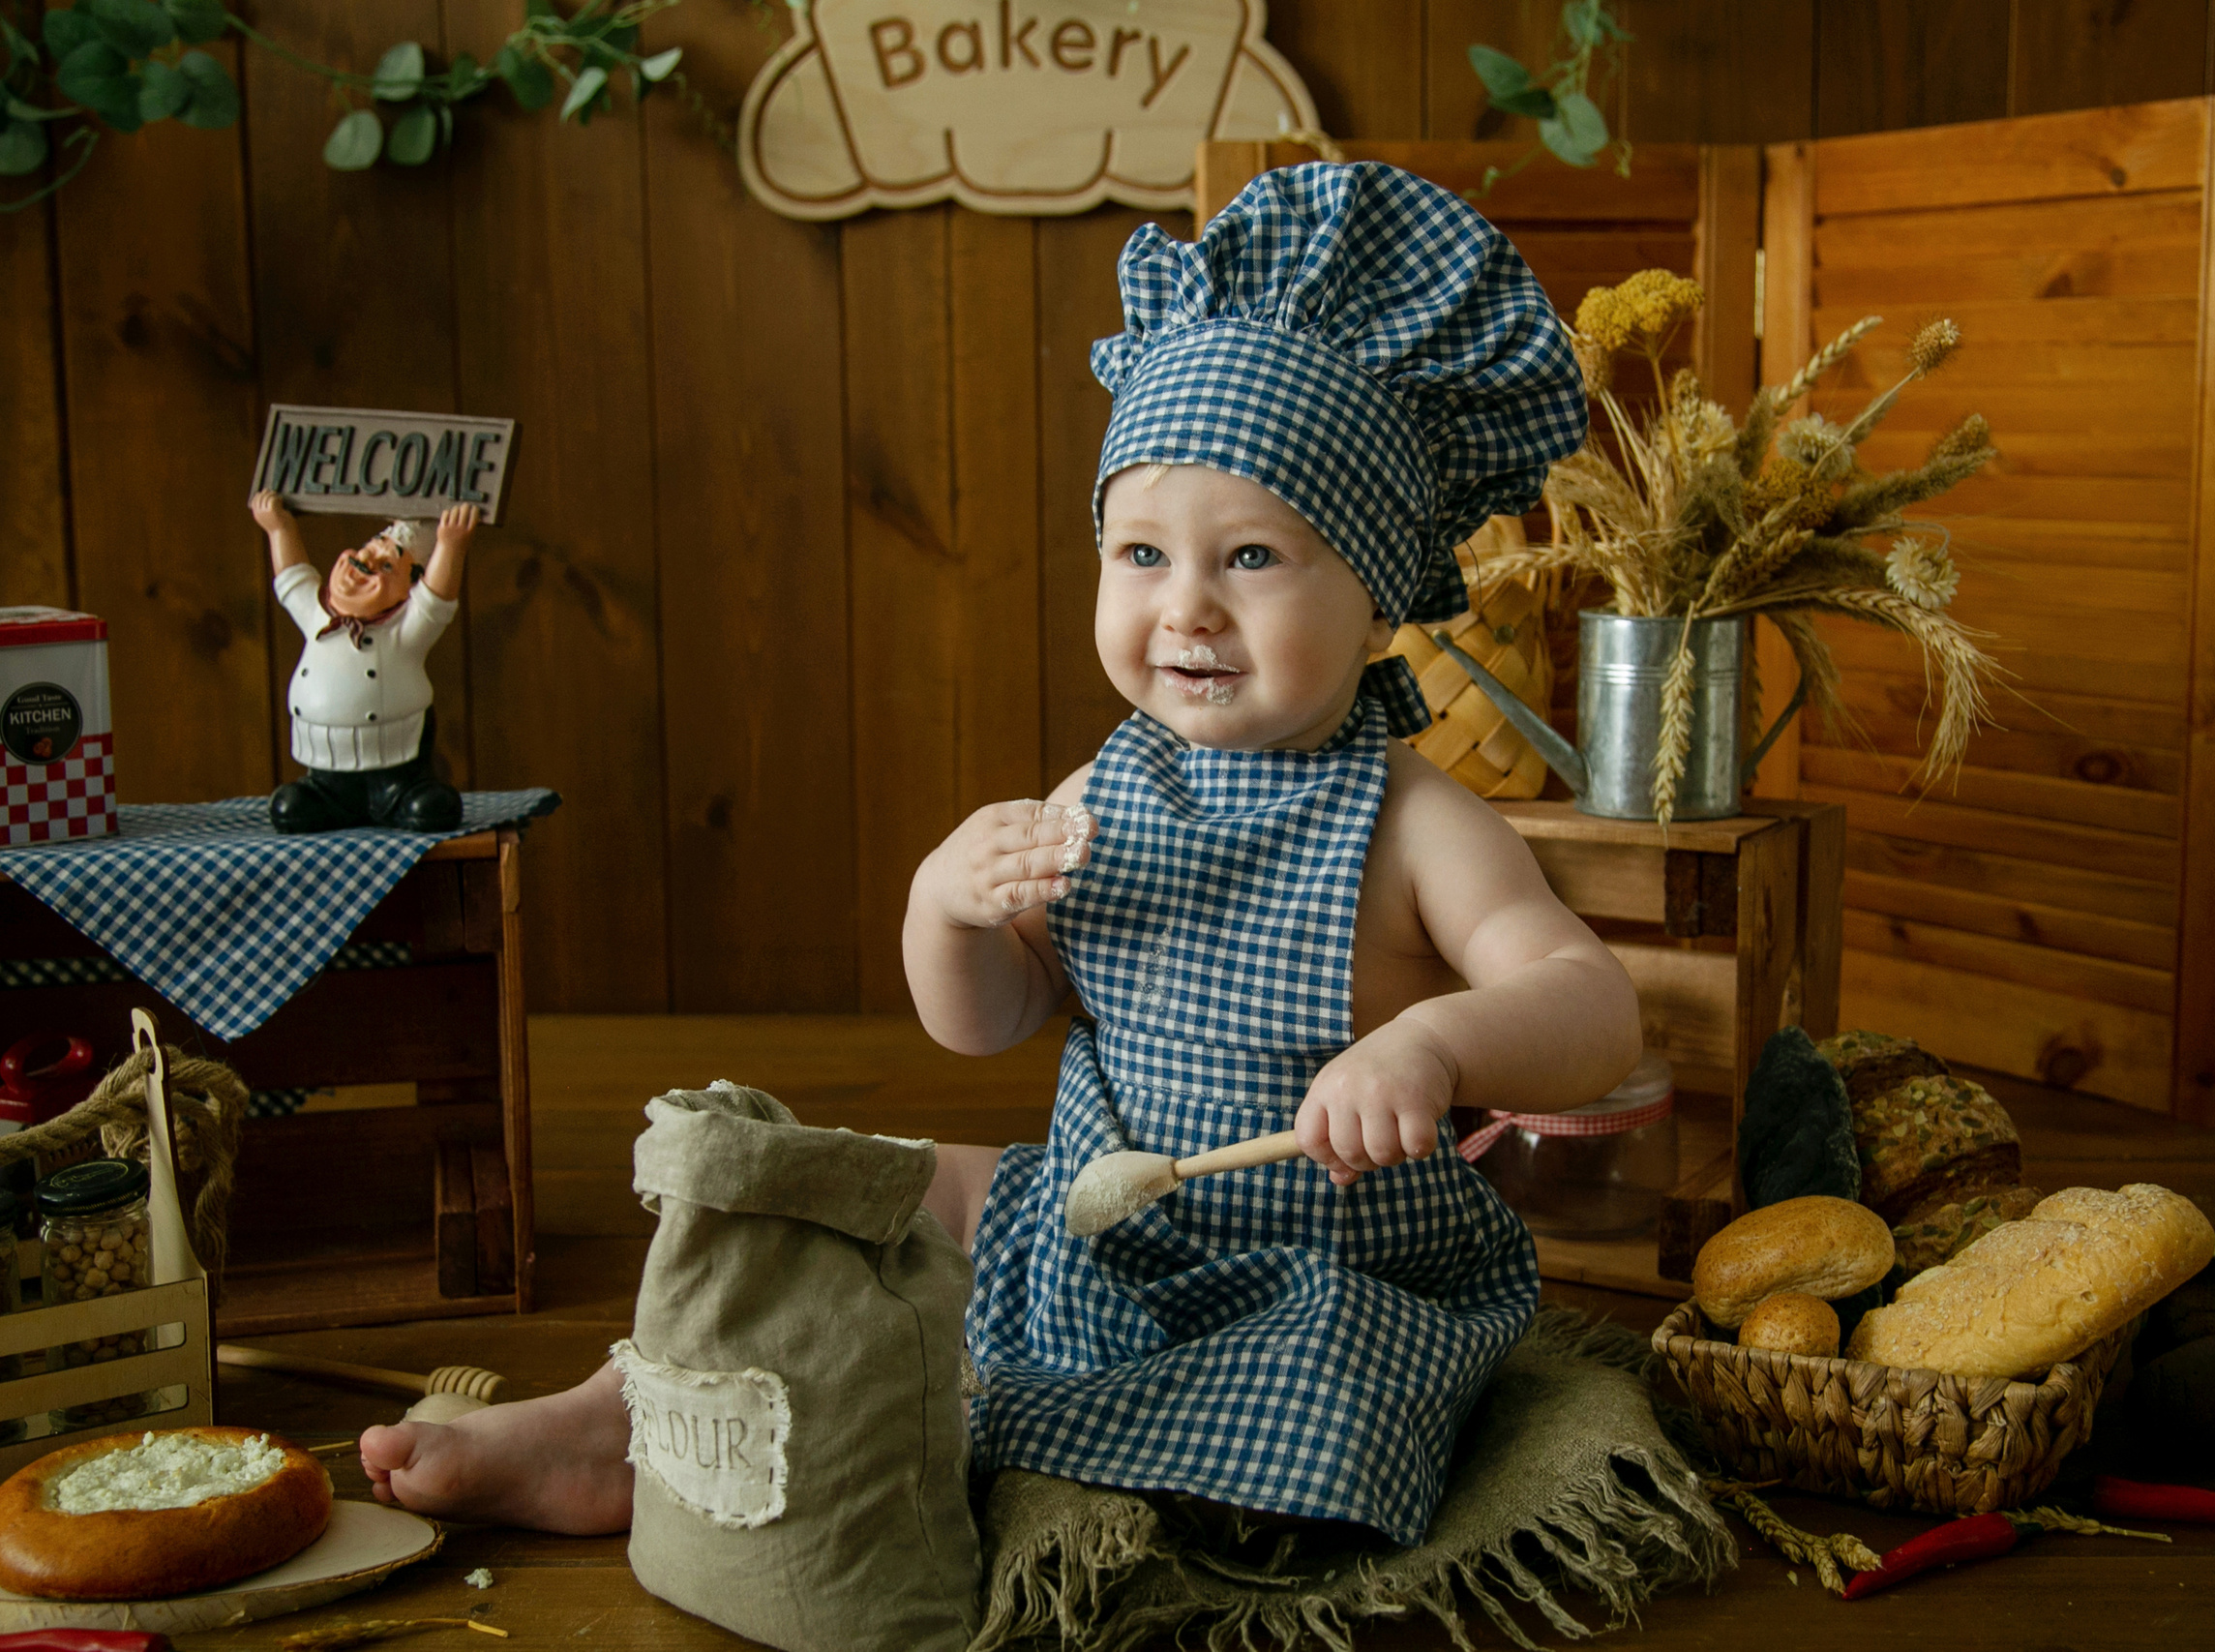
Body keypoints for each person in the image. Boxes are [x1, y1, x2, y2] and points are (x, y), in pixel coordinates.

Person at [355, 163, 1642, 1544]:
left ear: (1379, 592)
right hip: (1093, 1212)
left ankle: (948, 1433)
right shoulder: (1108, 783)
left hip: (1317, 1267)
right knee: (849, 1191)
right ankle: (625, 1412)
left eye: (1254, 557)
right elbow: (989, 1021)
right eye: (1141, 552)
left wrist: (1434, 1046)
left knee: (1327, 1410)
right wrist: (951, 911)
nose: (1186, 606)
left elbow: (1590, 1001)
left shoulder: (1413, 818)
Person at [250, 492, 475, 833]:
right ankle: (325, 796)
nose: (365, 563)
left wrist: (451, 547)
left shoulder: (405, 631)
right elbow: (292, 578)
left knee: (429, 810)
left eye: (387, 565)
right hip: (326, 769)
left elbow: (436, 599)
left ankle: (401, 797)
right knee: (291, 809)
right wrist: (279, 529)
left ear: (410, 588)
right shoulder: (317, 616)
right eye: (370, 549)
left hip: (396, 765)